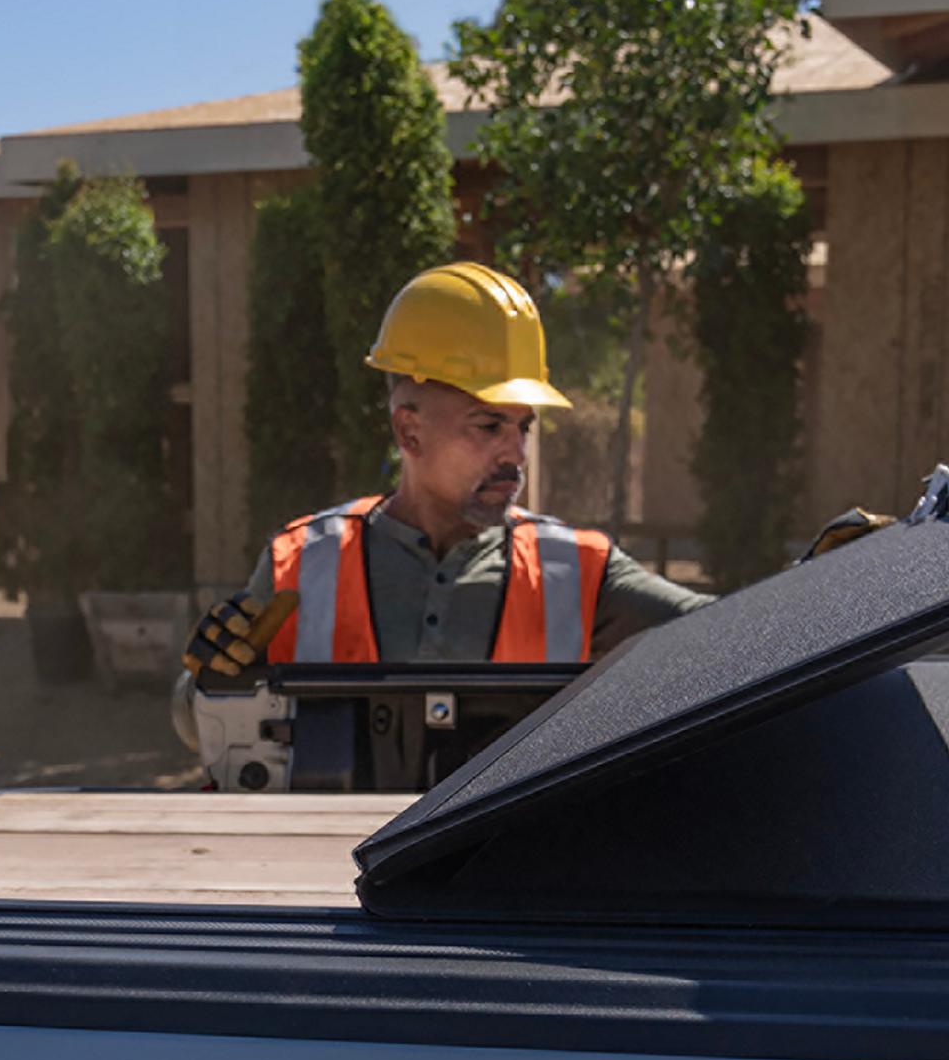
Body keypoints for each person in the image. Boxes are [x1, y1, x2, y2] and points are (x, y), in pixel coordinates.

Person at [175, 261, 707, 744]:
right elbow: (196, 725)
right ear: (409, 430)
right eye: (489, 424)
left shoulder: (584, 572)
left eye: (523, 426)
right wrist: (216, 682)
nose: (516, 453)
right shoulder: (302, 562)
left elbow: (730, 636)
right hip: (335, 850)